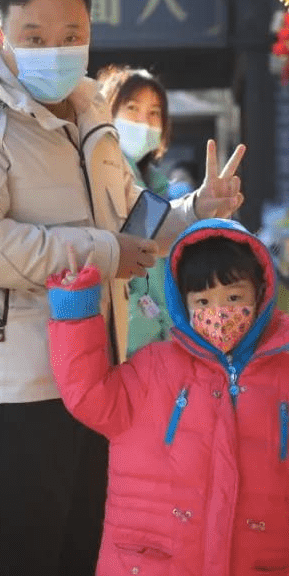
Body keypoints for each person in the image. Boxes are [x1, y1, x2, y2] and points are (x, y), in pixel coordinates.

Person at [0, 0, 246, 576]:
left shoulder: (90, 117)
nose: (54, 51)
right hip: (14, 393)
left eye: (71, 37)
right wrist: (102, 254)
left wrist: (197, 209)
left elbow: (132, 222)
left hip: (97, 381)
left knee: (87, 561)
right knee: (18, 564)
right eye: (34, 37)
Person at [45, 218, 289, 576]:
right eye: (203, 301)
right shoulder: (152, 369)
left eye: (234, 297)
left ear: (261, 293)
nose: (220, 313)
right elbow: (88, 394)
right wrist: (75, 311)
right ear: (183, 305)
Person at [99, 65, 175, 358]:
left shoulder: (158, 188)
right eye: (132, 108)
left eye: (155, 113)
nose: (145, 121)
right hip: (127, 351)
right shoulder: (103, 179)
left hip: (155, 348)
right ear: (107, 112)